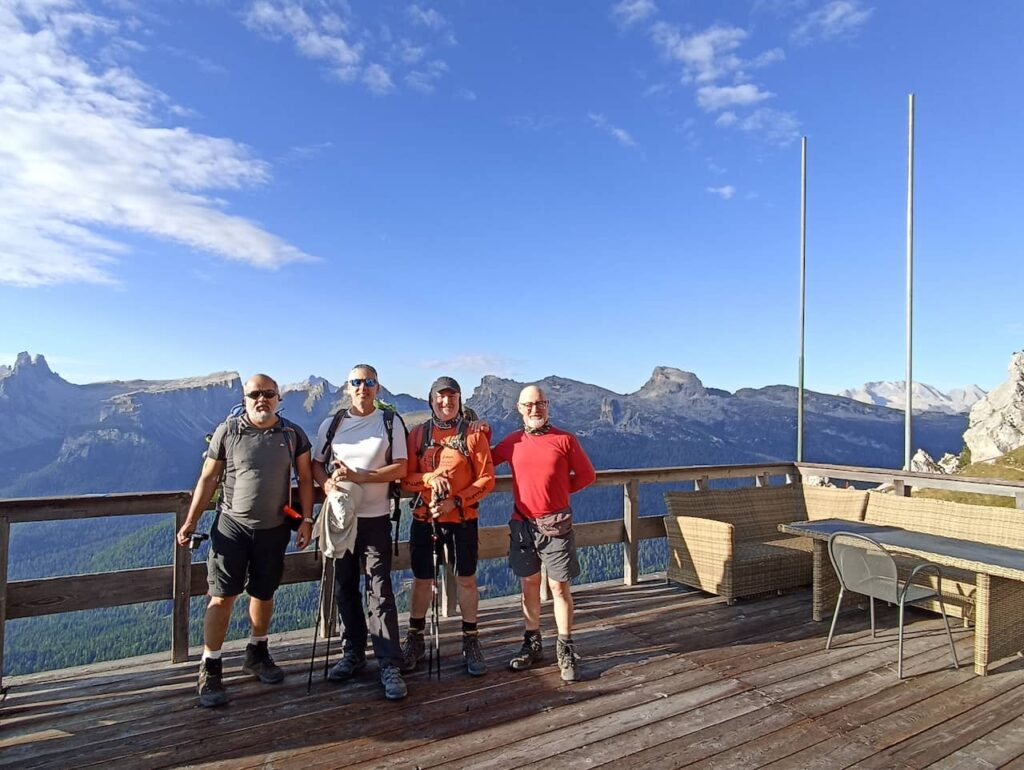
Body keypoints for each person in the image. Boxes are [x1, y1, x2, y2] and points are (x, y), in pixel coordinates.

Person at [176, 374, 314, 708]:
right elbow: (208, 478)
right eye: (255, 394)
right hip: (232, 527)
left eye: (269, 394)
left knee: (264, 592)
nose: (262, 399)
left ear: (279, 398)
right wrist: (191, 520)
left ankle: (257, 651)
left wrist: (306, 520)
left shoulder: (293, 434)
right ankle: (210, 666)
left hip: (275, 527)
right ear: (245, 397)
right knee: (222, 596)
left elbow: (307, 478)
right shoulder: (229, 430)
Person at [311, 364, 410, 700]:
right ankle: (352, 653)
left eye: (368, 382)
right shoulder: (333, 423)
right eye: (356, 382)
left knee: (379, 590)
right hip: (342, 518)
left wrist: (362, 476)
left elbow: (402, 467)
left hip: (376, 517)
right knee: (344, 588)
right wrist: (325, 484)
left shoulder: (389, 421)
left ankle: (388, 663)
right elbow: (315, 462)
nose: (362, 388)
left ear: (377, 388)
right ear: (348, 387)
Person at [491, 384, 596, 683]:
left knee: (560, 589)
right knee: (528, 587)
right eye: (529, 405)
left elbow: (587, 475)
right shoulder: (512, 442)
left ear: (547, 406)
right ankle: (532, 642)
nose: (535, 409)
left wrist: (560, 493)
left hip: (557, 525)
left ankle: (565, 646)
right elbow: (483, 460)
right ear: (519, 409)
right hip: (522, 525)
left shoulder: (565, 439)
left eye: (540, 403)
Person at [400, 376, 495, 676]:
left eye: (452, 397)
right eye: (440, 397)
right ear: (430, 400)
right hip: (424, 518)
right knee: (422, 579)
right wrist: (429, 479)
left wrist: (457, 501)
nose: (446, 402)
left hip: (462, 520)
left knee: (465, 578)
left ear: (460, 400)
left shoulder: (473, 435)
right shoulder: (418, 435)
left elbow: (487, 479)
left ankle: (470, 639)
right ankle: (415, 637)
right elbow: (406, 480)